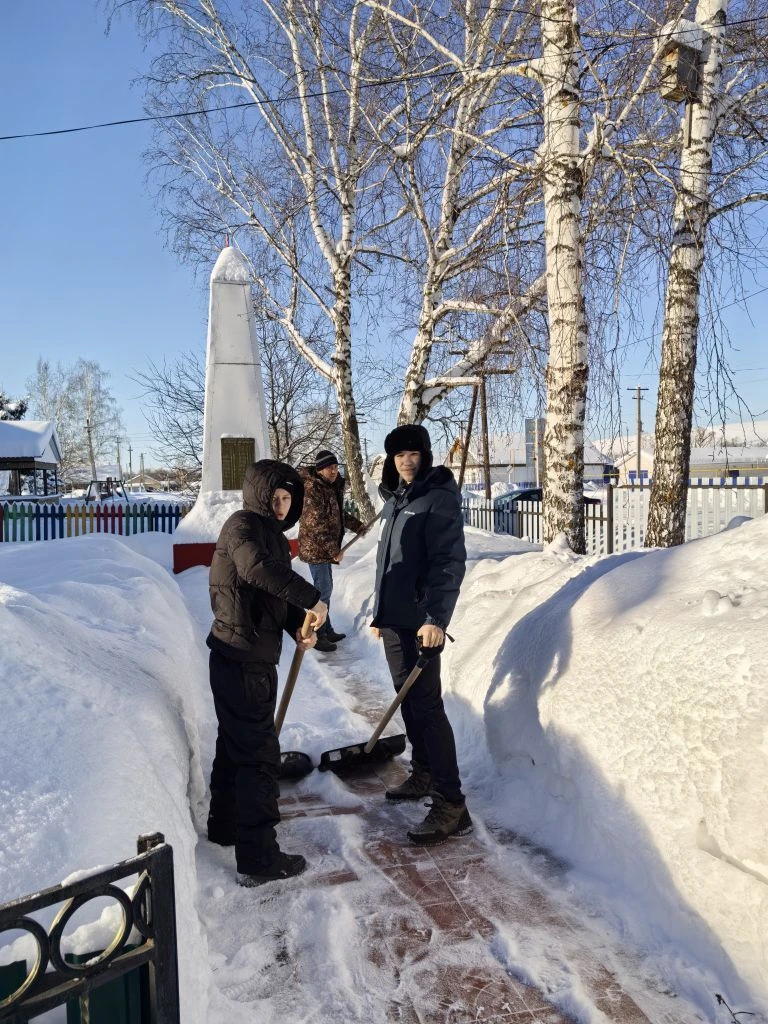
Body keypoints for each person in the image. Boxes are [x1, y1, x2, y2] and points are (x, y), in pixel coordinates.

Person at [206, 459, 328, 886]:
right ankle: (259, 859)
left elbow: (267, 594)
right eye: (274, 497)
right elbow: (255, 570)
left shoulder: (271, 537)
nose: (280, 506)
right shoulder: (242, 526)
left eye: (287, 499)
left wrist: (298, 623)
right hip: (243, 660)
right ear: (258, 495)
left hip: (242, 654)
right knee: (258, 756)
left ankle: (224, 826)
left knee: (233, 745)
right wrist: (313, 597)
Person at [370, 424, 471, 845]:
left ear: (425, 456)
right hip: (395, 620)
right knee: (407, 699)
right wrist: (380, 615)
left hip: (422, 624)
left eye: (413, 454)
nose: (406, 461)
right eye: (399, 456)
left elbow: (447, 563)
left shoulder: (438, 499)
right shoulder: (396, 500)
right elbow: (388, 562)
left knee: (427, 708)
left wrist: (436, 618)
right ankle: (425, 771)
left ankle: (452, 804)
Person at [298, 449, 366, 652]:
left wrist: (357, 525)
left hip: (325, 548)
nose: (334, 471)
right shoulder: (312, 489)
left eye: (336, 467)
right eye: (329, 468)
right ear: (319, 470)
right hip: (315, 547)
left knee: (324, 589)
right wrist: (333, 549)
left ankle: (326, 629)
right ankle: (316, 634)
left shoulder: (332, 486)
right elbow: (316, 524)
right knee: (322, 592)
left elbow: (337, 514)